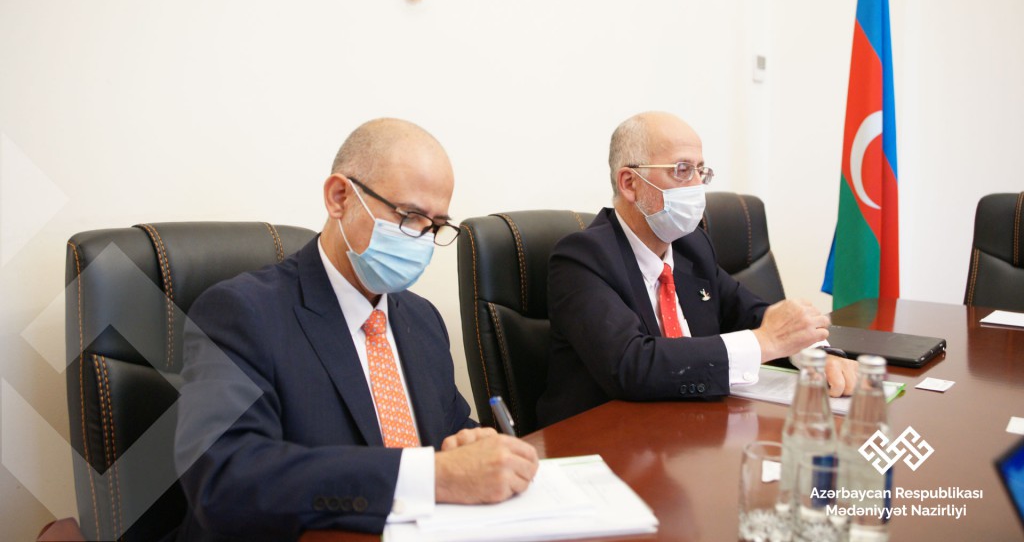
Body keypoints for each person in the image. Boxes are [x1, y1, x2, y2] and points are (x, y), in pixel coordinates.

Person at [174, 118, 539, 542]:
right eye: (409, 217)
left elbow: (451, 429)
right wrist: (431, 477)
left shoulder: (421, 318)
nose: (422, 240)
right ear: (339, 197)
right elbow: (225, 480)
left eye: (436, 225)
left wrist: (473, 444)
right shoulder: (242, 313)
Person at [536, 111, 857, 427]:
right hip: (605, 438)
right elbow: (631, 364)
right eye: (682, 170)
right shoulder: (582, 258)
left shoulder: (692, 246)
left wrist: (813, 352)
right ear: (630, 183)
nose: (697, 185)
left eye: (701, 171)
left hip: (690, 428)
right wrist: (765, 342)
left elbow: (752, 313)